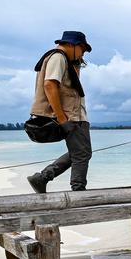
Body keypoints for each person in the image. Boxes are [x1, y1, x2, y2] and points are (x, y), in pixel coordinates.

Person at [27, 31, 92, 193]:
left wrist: (76, 63)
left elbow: (72, 85)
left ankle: (42, 178)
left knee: (80, 152)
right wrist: (62, 118)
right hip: (71, 116)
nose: (83, 54)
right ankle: (78, 190)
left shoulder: (66, 61)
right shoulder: (58, 57)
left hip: (74, 115)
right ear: (72, 44)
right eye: (82, 49)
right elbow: (50, 85)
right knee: (82, 155)